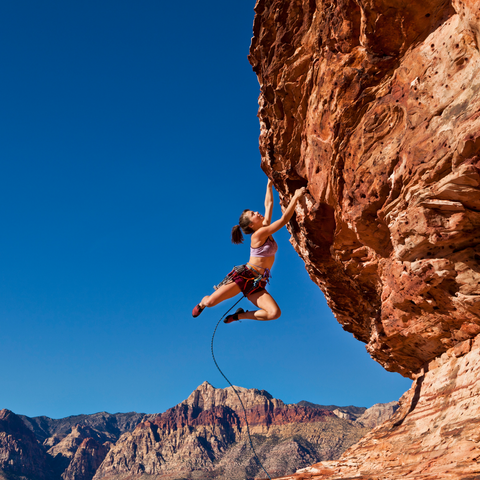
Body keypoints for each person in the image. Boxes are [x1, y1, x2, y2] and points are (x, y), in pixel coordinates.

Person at [192, 179, 306, 324]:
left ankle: (239, 316)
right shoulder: (257, 236)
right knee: (210, 302)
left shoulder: (264, 228)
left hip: (257, 283)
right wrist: (296, 197)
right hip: (244, 276)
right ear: (251, 225)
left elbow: (268, 204)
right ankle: (202, 303)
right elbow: (284, 220)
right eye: (253, 213)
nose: (257, 212)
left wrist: (269, 185)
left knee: (274, 313)